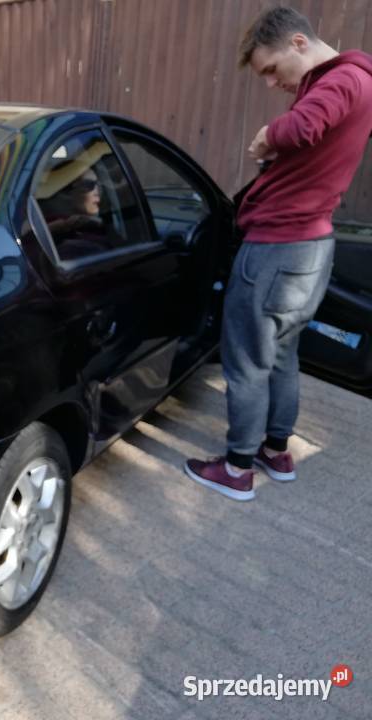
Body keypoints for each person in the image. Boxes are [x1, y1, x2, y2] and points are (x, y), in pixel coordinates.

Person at [184, 6, 372, 501]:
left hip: (278, 246)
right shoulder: (353, 81)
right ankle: (275, 450)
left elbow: (303, 128)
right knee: (283, 353)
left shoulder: (341, 80)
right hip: (311, 246)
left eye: (271, 70)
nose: (271, 84)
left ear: (297, 44)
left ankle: (238, 467)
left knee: (245, 360)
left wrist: (269, 136)